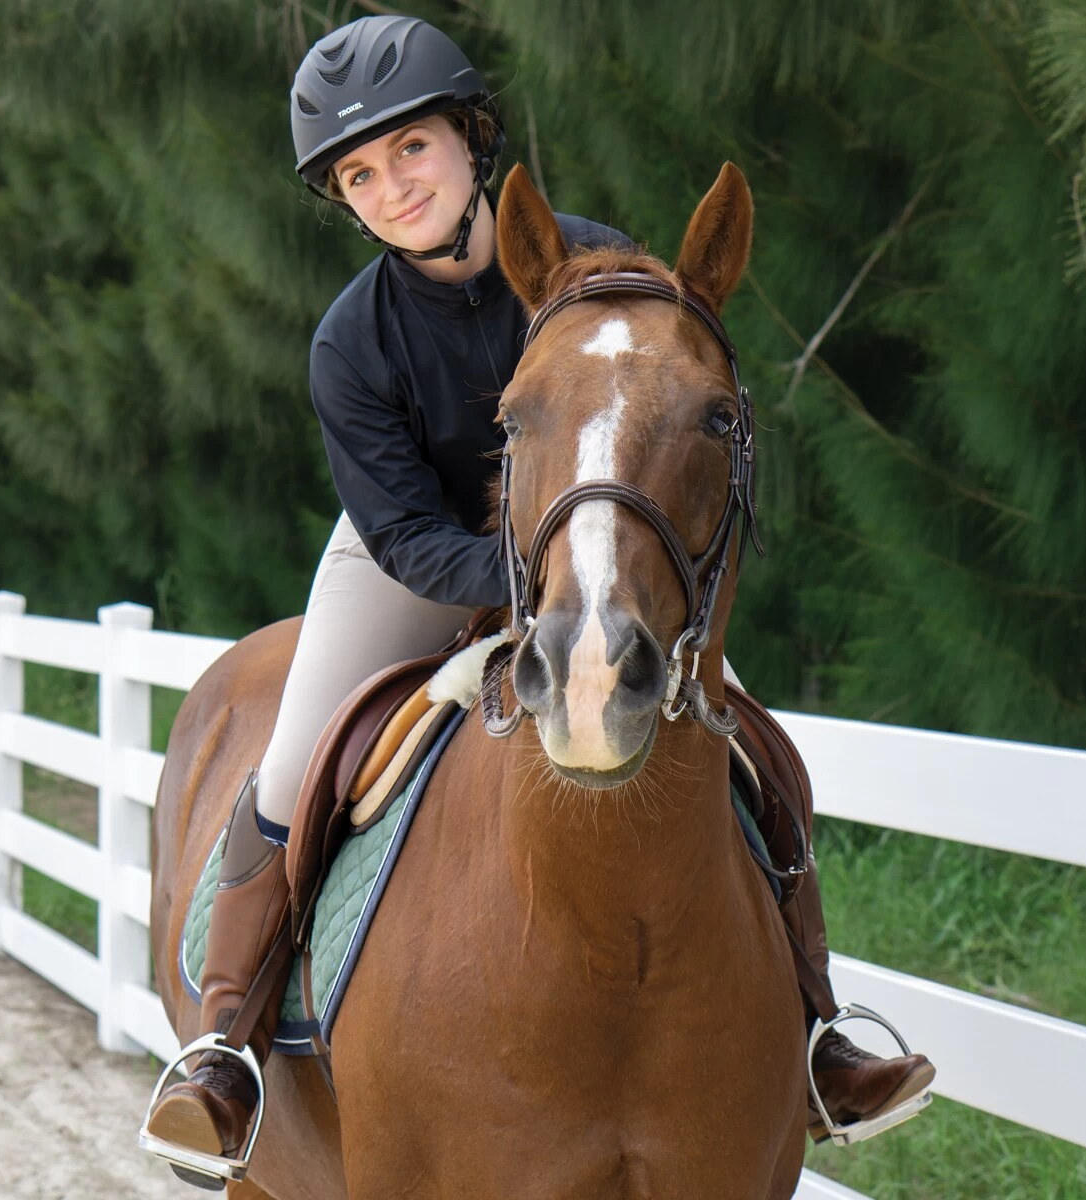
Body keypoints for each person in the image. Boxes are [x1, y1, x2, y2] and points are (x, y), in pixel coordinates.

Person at [143, 14, 935, 1183]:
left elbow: (668, 416)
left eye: (410, 150)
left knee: (752, 745)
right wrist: (527, 592)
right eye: (359, 175)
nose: (391, 186)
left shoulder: (596, 269)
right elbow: (403, 527)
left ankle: (818, 1032)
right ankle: (226, 1053)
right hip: (410, 558)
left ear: (470, 140)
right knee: (293, 761)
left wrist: (600, 573)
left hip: (598, 542)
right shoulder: (350, 343)